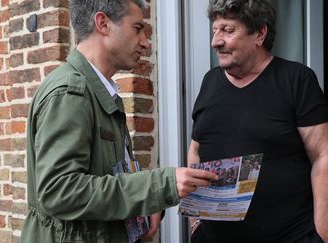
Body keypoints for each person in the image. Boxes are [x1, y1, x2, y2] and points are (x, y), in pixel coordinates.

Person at [20, 0, 217, 242]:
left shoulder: (99, 91)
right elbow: (59, 192)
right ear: (103, 23)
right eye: (137, 28)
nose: (145, 41)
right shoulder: (72, 92)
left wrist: (144, 204)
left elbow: (109, 175)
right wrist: (160, 185)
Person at [187, 0, 328, 242]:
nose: (216, 41)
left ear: (260, 33)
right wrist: (197, 224)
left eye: (227, 30)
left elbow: (322, 157)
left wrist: (322, 235)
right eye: (215, 30)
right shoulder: (210, 82)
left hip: (289, 236)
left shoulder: (296, 80)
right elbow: (196, 150)